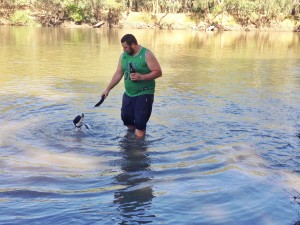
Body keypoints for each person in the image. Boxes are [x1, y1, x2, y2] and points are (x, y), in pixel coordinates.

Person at [101, 34, 162, 138]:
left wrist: (141, 77)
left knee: (140, 124)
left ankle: (138, 148)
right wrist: (108, 89)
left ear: (133, 44)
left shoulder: (146, 54)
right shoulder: (124, 56)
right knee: (126, 119)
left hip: (144, 93)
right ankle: (131, 142)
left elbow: (158, 72)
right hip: (129, 94)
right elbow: (118, 73)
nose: (124, 49)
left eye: (125, 47)